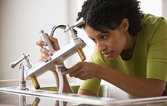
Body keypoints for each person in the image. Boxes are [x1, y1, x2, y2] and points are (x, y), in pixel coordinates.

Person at [36, 0, 167, 98]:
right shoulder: (104, 52)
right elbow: (83, 104)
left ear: (124, 25)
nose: (99, 47)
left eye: (104, 36)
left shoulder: (157, 29)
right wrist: (57, 67)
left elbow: (154, 90)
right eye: (93, 39)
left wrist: (99, 71)